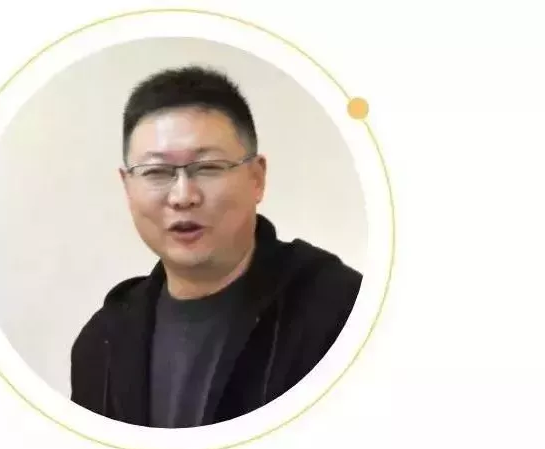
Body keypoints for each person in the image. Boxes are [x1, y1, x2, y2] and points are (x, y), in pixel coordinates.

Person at [70, 65, 362, 428]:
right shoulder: (103, 342)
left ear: (257, 178)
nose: (183, 196)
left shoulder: (341, 312)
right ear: (127, 187)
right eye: (156, 172)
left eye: (207, 168)